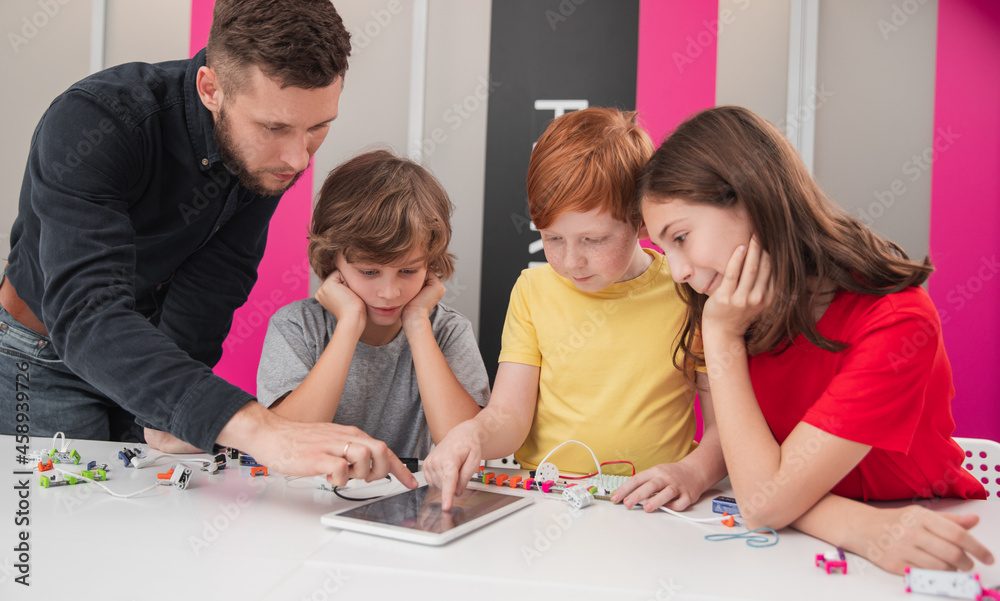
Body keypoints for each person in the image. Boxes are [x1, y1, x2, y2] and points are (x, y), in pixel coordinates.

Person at [0, 0, 417, 487]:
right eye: (274, 127)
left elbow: (215, 283)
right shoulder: (96, 121)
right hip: (43, 355)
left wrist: (180, 410)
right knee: (65, 538)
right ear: (211, 88)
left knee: (155, 525)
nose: (299, 159)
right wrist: (259, 429)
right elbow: (88, 314)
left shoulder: (269, 158)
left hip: (159, 358)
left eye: (318, 127)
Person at [636, 105, 994, 574]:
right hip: (798, 547)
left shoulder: (897, 320)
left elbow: (763, 500)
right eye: (665, 249)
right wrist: (856, 527)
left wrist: (722, 338)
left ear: (750, 199)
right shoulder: (728, 310)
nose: (678, 270)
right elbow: (762, 491)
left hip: (924, 533)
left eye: (680, 237)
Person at [423, 107, 726, 510]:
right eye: (552, 238)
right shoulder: (533, 291)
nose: (570, 262)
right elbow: (510, 415)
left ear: (641, 222)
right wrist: (472, 434)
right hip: (546, 502)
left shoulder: (688, 290)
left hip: (653, 506)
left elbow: (726, 424)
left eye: (594, 240)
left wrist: (694, 472)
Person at [256, 150, 489, 459]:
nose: (389, 292)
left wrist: (418, 322)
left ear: (430, 265)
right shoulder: (297, 327)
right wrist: (349, 324)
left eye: (408, 271)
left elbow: (464, 444)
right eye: (369, 272)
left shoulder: (447, 331)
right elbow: (287, 442)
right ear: (331, 258)